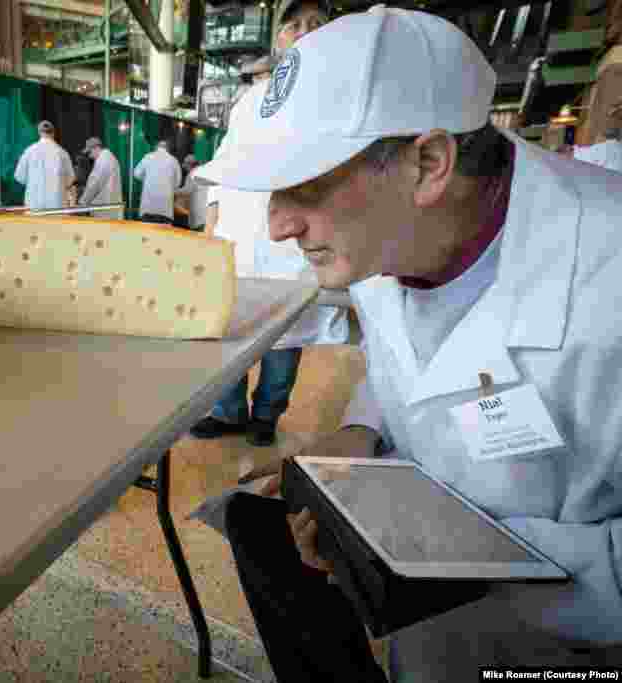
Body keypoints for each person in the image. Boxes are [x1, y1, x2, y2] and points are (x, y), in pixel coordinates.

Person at [196, 6, 622, 680]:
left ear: (428, 164)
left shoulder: (608, 280)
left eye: (305, 184)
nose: (277, 225)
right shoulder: (388, 238)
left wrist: (458, 551)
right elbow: (409, 361)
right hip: (426, 639)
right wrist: (361, 432)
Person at [191, 0, 342, 448]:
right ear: (279, 38)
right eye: (294, 25)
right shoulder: (250, 101)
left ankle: (266, 416)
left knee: (283, 340)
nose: (304, 31)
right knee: (230, 332)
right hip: (237, 237)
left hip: (293, 242)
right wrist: (210, 232)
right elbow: (223, 169)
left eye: (316, 24)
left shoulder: (338, 99)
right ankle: (228, 412)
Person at [13, 120, 75, 211]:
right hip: (57, 204)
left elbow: (19, 176)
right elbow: (70, 179)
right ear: (53, 133)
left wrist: (34, 183)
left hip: (34, 204)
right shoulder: (62, 153)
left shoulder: (30, 151)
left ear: (39, 132)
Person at [133, 140, 182, 224]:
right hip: (165, 207)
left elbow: (136, 174)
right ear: (168, 149)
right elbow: (178, 183)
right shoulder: (173, 160)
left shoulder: (148, 157)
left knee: (147, 230)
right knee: (164, 231)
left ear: (156, 147)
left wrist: (147, 179)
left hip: (148, 205)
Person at [78, 137, 124, 219]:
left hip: (103, 209)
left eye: (89, 152)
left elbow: (94, 184)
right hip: (110, 207)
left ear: (96, 148)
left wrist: (83, 202)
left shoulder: (102, 160)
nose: (89, 156)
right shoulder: (110, 157)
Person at [175, 154, 209, 231]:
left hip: (198, 216)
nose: (184, 167)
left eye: (185, 164)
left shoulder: (192, 174)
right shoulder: (202, 172)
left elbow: (186, 191)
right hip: (205, 215)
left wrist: (172, 191)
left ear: (189, 165)